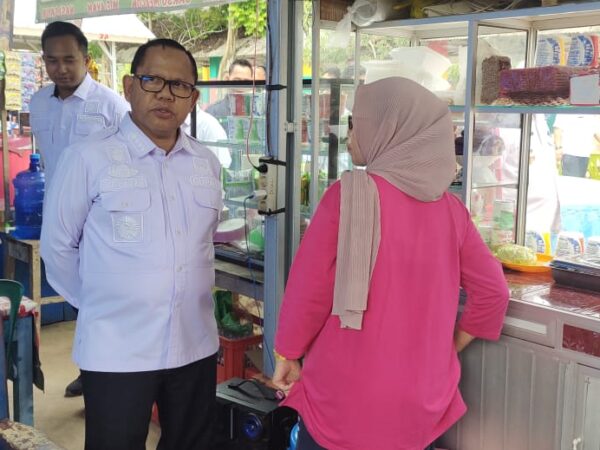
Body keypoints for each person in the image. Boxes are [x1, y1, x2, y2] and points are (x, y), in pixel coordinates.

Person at [272, 77, 509, 450]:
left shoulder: (346, 197)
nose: (350, 134)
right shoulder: (451, 211)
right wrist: (448, 348)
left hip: (344, 399)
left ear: (389, 131)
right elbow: (494, 292)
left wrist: (288, 351)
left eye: (357, 123)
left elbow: (309, 291)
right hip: (421, 402)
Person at [40, 38, 222, 450]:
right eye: (152, 80)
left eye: (179, 86)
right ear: (128, 86)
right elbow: (58, 249)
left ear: (193, 98)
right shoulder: (89, 158)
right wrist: (107, 305)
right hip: (117, 350)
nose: (165, 95)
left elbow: (202, 243)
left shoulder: (205, 163)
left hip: (194, 344)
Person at [29, 20, 129, 398]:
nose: (61, 68)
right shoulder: (38, 102)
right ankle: (90, 369)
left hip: (100, 218)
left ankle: (107, 372)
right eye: (52, 61)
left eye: (69, 59)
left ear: (86, 59)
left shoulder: (111, 105)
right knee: (76, 293)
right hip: (58, 214)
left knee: (102, 295)